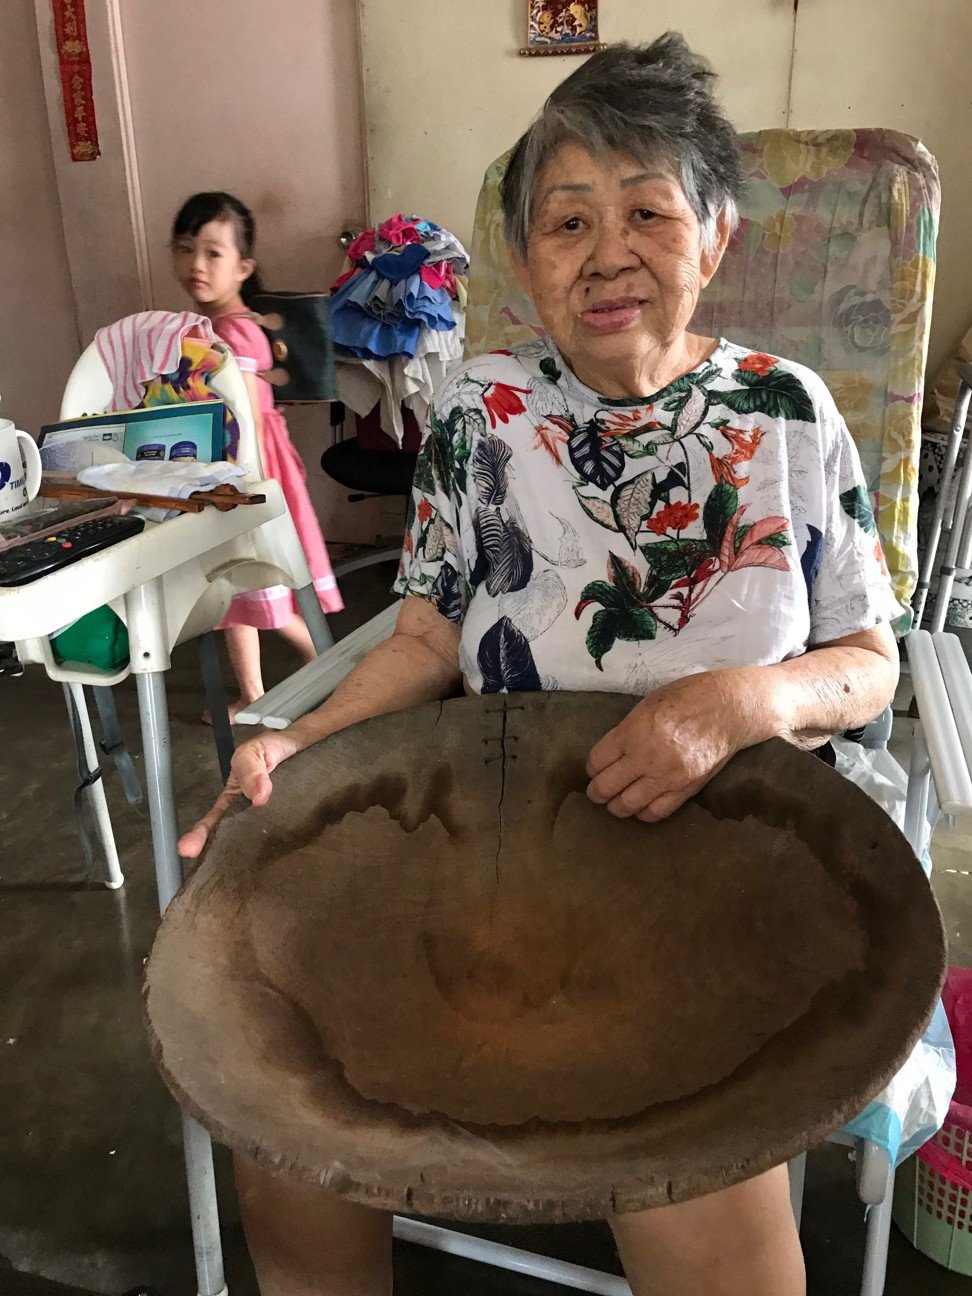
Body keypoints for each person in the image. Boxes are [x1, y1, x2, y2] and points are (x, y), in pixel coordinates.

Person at [179, 35, 901, 1296]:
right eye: (566, 221)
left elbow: (870, 662)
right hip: (500, 861)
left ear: (714, 237)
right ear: (526, 261)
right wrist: (305, 739)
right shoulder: (482, 411)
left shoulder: (787, 415)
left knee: (685, 1188)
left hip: (725, 868)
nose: (607, 251)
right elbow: (424, 636)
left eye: (647, 211)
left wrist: (742, 700)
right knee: (285, 1126)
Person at [171, 192, 343, 720]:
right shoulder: (220, 327)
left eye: (213, 253)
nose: (196, 264)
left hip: (248, 474)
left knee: (257, 581)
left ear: (243, 267)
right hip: (241, 472)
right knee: (238, 586)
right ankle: (256, 692)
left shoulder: (232, 335)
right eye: (185, 248)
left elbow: (240, 419)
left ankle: (333, 671)